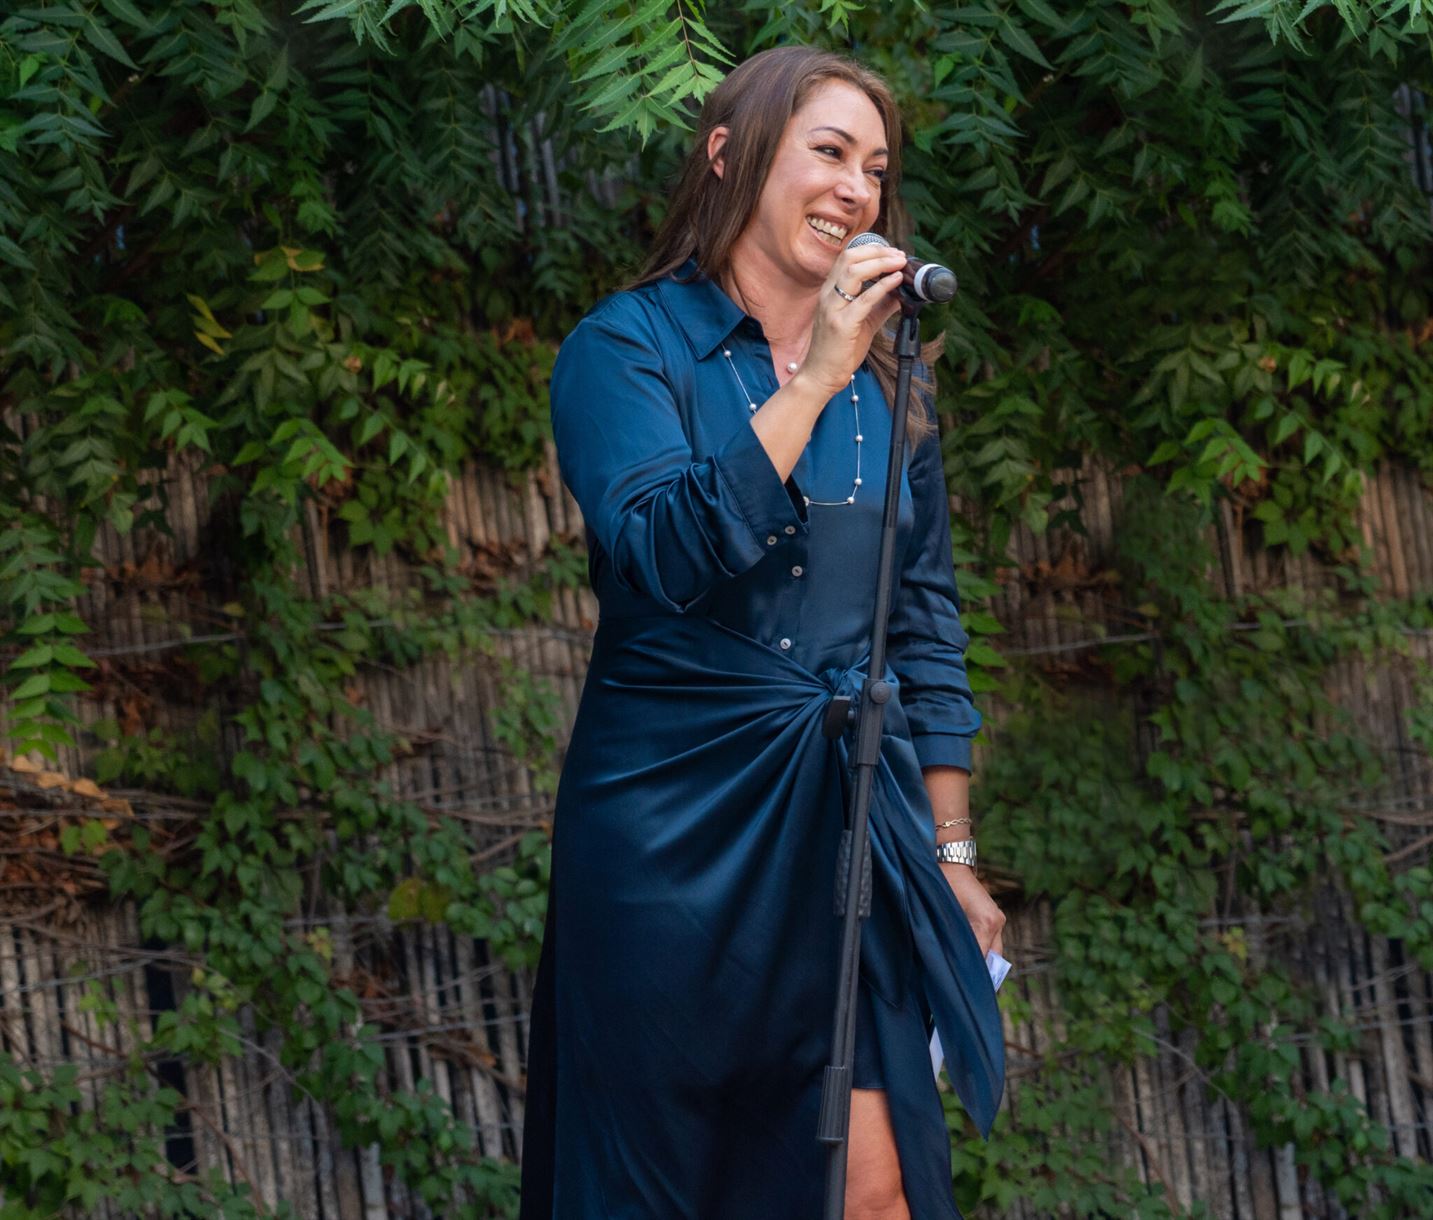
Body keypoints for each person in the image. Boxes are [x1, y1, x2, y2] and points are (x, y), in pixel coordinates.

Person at [520, 44, 1006, 1220]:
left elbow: (922, 623)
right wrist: (813, 375)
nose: (855, 189)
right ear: (727, 154)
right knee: (666, 1189)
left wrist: (950, 853)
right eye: (828, 152)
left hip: (847, 821)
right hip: (666, 832)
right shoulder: (624, 348)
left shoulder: (893, 386)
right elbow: (666, 553)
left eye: (875, 169)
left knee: (875, 1188)